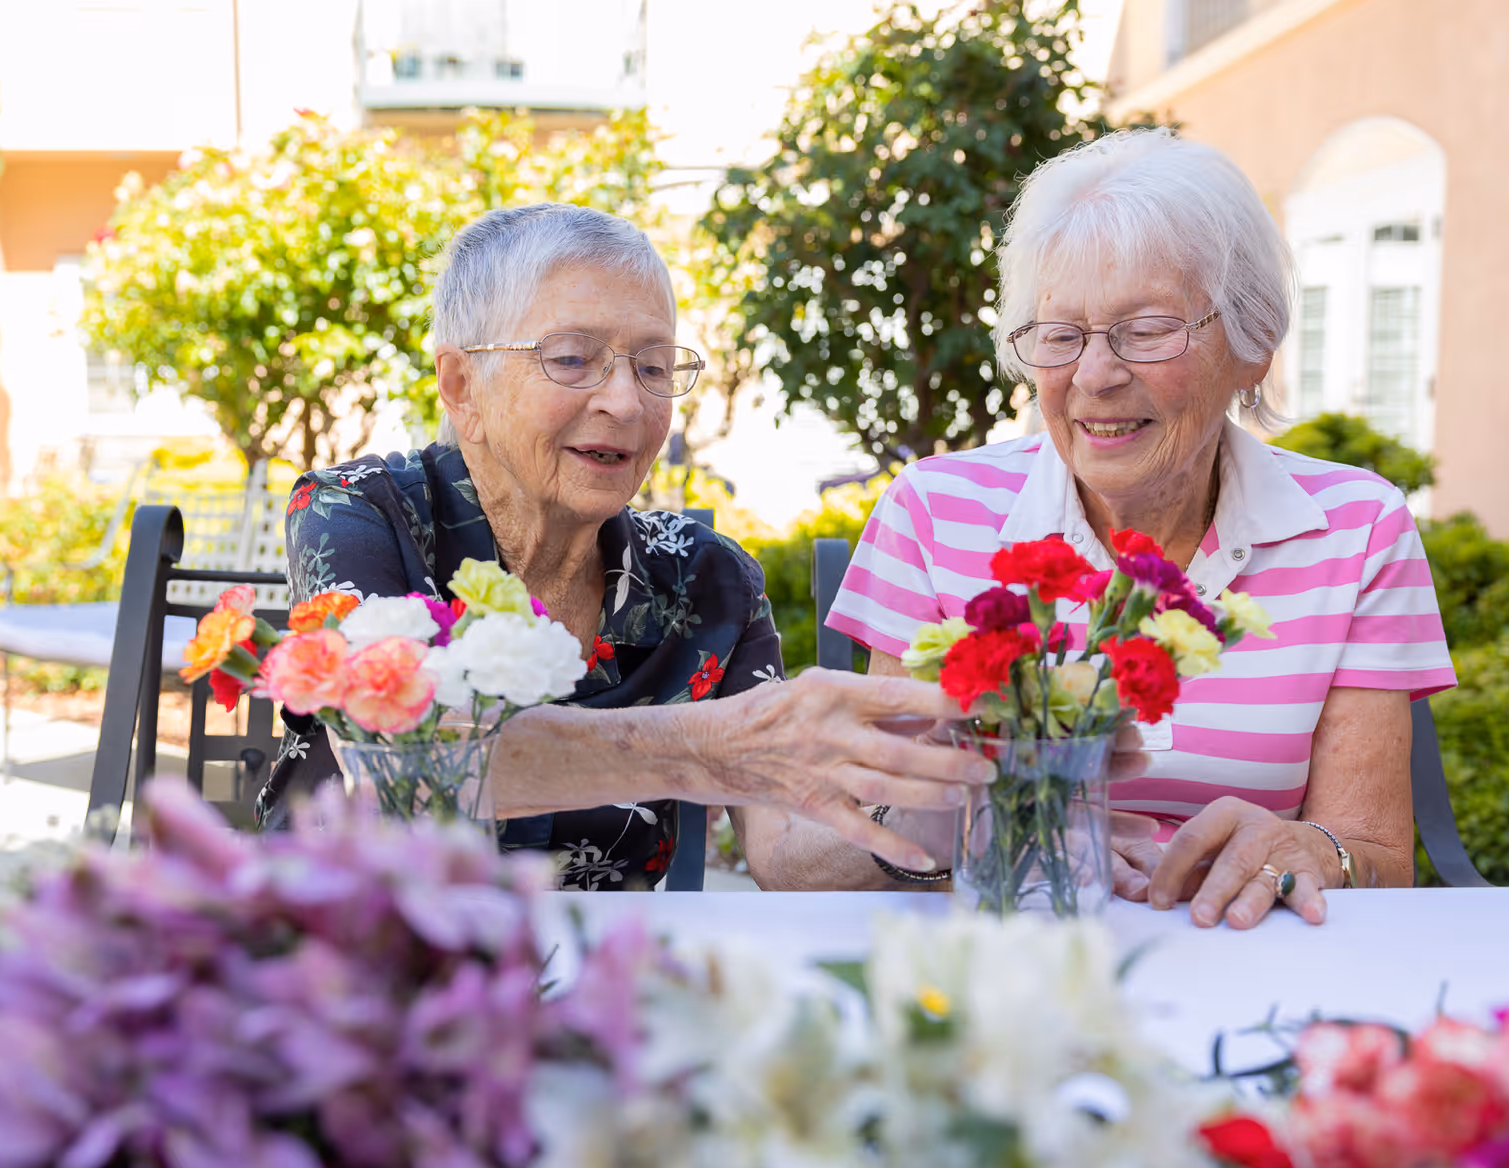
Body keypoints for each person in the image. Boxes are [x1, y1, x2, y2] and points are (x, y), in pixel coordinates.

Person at [771, 130, 1455, 927]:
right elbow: (876, 835)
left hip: (1245, 951)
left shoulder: (1357, 527)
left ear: (1254, 341)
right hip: (1010, 952)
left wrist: (1311, 852)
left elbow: (1375, 858)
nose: (1096, 376)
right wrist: (971, 816)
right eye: (1061, 336)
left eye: (1148, 328)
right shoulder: (933, 510)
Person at [257, 202, 988, 889]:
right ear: (462, 387)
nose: (626, 403)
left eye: (653, 366)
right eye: (572, 359)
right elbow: (402, 764)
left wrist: (945, 809)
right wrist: (710, 743)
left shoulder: (709, 580)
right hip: (347, 970)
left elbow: (784, 849)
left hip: (603, 989)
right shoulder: (355, 512)